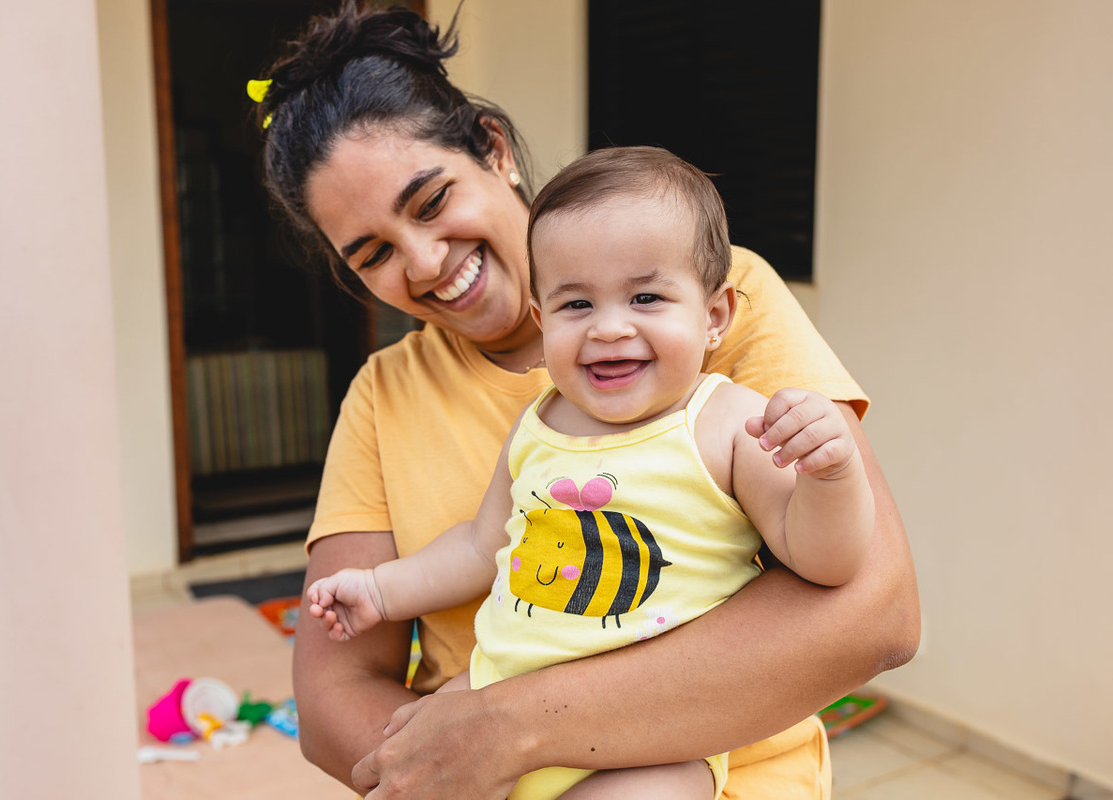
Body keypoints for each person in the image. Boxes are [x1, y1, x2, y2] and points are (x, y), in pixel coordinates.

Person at [253, 4, 919, 798]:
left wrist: (513, 727)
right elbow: (335, 695)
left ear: (493, 150)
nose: (426, 263)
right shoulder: (400, 398)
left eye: (431, 203)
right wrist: (460, 758)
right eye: (373, 254)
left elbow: (875, 609)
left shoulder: (706, 306)